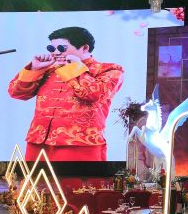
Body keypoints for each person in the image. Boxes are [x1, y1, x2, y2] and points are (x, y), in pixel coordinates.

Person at [8, 26, 124, 161]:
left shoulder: (109, 70)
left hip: (80, 144)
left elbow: (92, 94)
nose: (56, 53)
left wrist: (75, 68)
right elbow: (16, 92)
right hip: (38, 142)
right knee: (34, 176)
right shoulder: (48, 68)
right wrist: (35, 68)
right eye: (51, 49)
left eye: (62, 48)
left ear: (85, 48)